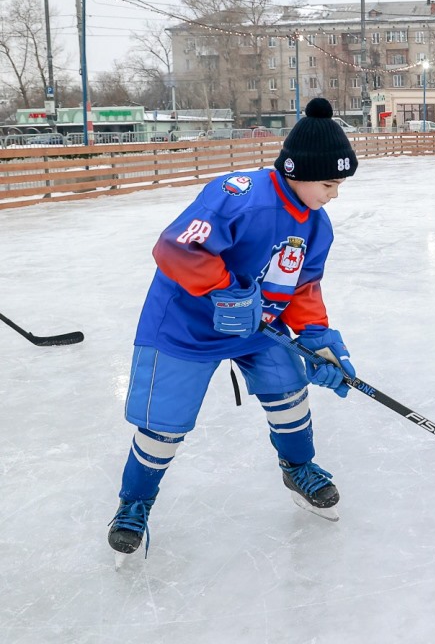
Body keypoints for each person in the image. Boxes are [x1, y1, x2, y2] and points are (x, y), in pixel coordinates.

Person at [106, 97, 359, 559]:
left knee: (288, 392)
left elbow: (302, 288)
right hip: (186, 324)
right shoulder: (239, 196)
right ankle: (135, 502)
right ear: (298, 173)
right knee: (163, 425)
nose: (334, 194)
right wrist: (227, 290)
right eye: (328, 183)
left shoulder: (317, 227)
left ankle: (298, 466)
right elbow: (173, 249)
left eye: (338, 184)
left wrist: (317, 338)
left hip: (258, 327)